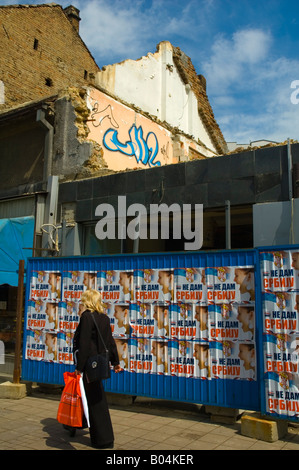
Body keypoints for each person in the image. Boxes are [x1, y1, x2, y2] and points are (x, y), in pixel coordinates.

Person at [72, 289, 122, 449]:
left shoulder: (87, 316)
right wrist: (115, 362)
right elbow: (110, 342)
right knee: (93, 396)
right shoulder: (105, 318)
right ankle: (76, 425)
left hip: (89, 364)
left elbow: (84, 344)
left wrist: (79, 368)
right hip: (100, 363)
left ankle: (103, 439)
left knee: (95, 400)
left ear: (88, 300)